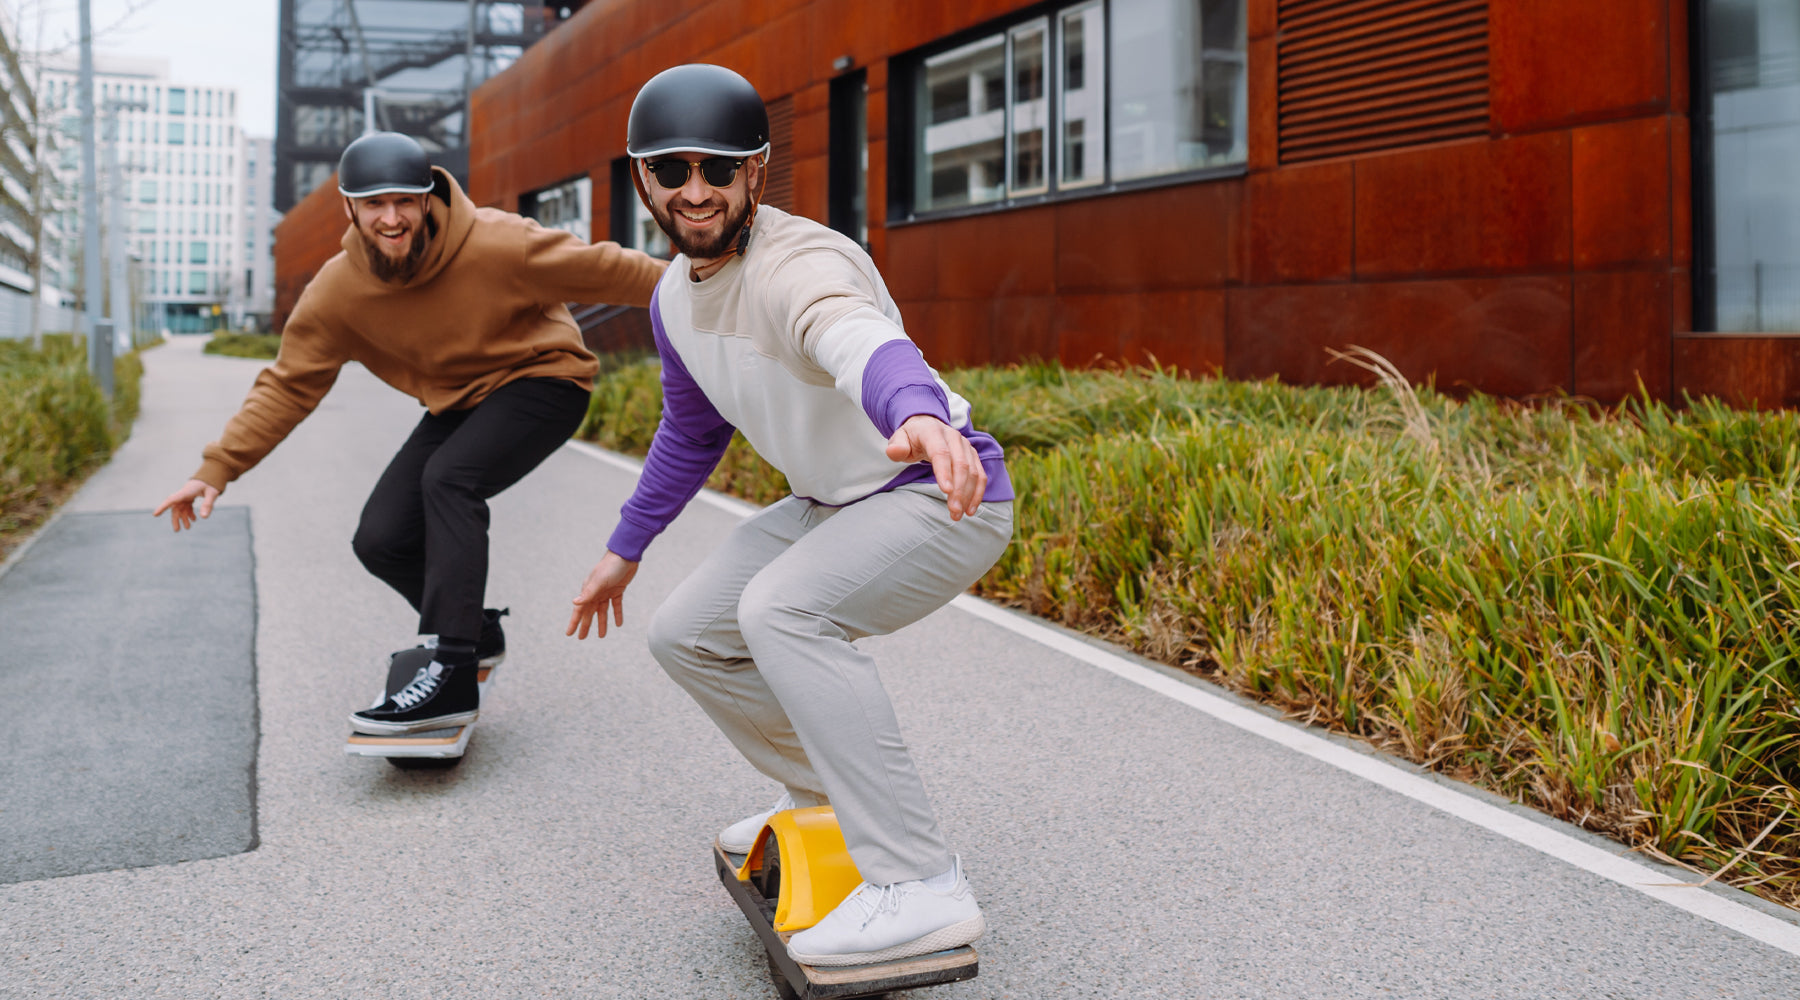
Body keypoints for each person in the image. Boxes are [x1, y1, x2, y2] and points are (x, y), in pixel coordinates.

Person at [566, 64, 1015, 968]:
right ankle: (826, 796)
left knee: (782, 610)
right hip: (832, 504)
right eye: (674, 169)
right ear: (641, 178)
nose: (697, 191)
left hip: (939, 496)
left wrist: (919, 415)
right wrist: (626, 549)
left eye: (719, 169)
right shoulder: (670, 298)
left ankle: (923, 884)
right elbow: (689, 434)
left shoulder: (799, 260)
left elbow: (855, 337)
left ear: (756, 172)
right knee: (685, 631)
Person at [155, 130, 666, 736]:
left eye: (405, 201)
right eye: (374, 204)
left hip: (545, 380)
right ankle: (475, 629)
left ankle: (452, 672)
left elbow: (613, 269)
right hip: (459, 404)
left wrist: (714, 285)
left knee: (448, 480)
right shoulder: (337, 292)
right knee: (381, 538)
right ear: (350, 208)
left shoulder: (499, 243)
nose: (391, 218)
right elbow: (288, 385)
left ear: (428, 199)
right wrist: (215, 469)